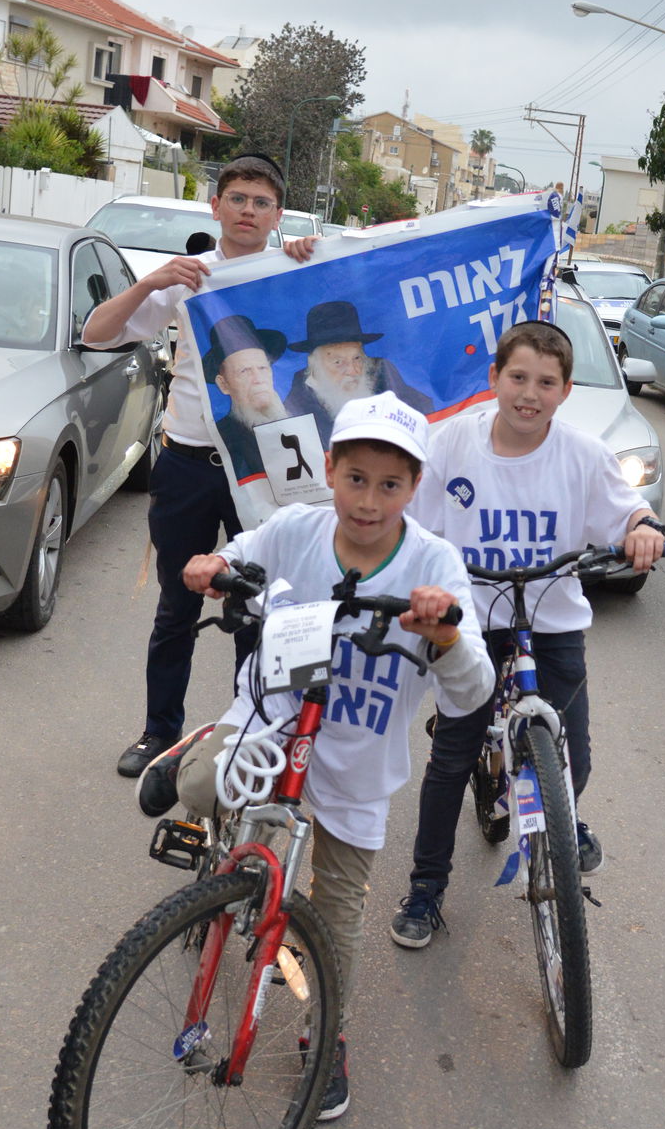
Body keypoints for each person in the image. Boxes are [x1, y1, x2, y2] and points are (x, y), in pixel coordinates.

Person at [140, 393, 493, 1121]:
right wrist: (212, 563)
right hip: (271, 724)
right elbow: (240, 553)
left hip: (356, 767)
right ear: (328, 470)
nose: (369, 499)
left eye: (390, 485)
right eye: (355, 478)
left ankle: (323, 1034)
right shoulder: (298, 527)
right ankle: (188, 762)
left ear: (414, 486)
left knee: (335, 917)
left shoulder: (434, 563)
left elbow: (473, 690)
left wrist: (447, 635)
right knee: (212, 789)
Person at [389, 318, 665, 949]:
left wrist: (645, 527)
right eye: (518, 377)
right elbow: (403, 515)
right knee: (453, 756)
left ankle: (562, 819)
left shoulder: (583, 454)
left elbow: (631, 510)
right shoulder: (450, 443)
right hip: (472, 619)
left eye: (546, 382)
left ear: (565, 391)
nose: (529, 393)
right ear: (493, 378)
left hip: (551, 618)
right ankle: (426, 890)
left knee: (575, 755)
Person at [82, 155, 315, 779]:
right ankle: (159, 732)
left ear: (278, 215)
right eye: (236, 198)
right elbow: (98, 333)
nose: (247, 211)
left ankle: (253, 730)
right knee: (175, 605)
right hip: (186, 464)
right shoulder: (188, 279)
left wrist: (315, 258)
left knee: (254, 604)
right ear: (215, 206)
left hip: (258, 468)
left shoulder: (292, 272)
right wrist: (149, 283)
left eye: (261, 203)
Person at [283, 298, 433, 446]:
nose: (353, 371)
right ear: (314, 365)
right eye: (338, 362)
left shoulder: (382, 373)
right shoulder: (296, 404)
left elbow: (424, 411)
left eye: (357, 358)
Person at [204, 312, 288, 481]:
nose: (258, 380)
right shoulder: (223, 436)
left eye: (263, 368)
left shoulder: (293, 423)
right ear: (223, 384)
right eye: (245, 371)